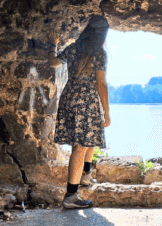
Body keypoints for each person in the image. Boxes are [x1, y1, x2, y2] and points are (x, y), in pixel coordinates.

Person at [49, 16, 110, 210]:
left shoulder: (73, 48)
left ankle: (85, 176)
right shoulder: (99, 53)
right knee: (81, 146)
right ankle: (71, 196)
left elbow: (53, 63)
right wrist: (107, 112)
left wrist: (54, 44)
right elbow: (101, 84)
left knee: (85, 141)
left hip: (70, 97)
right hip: (88, 99)